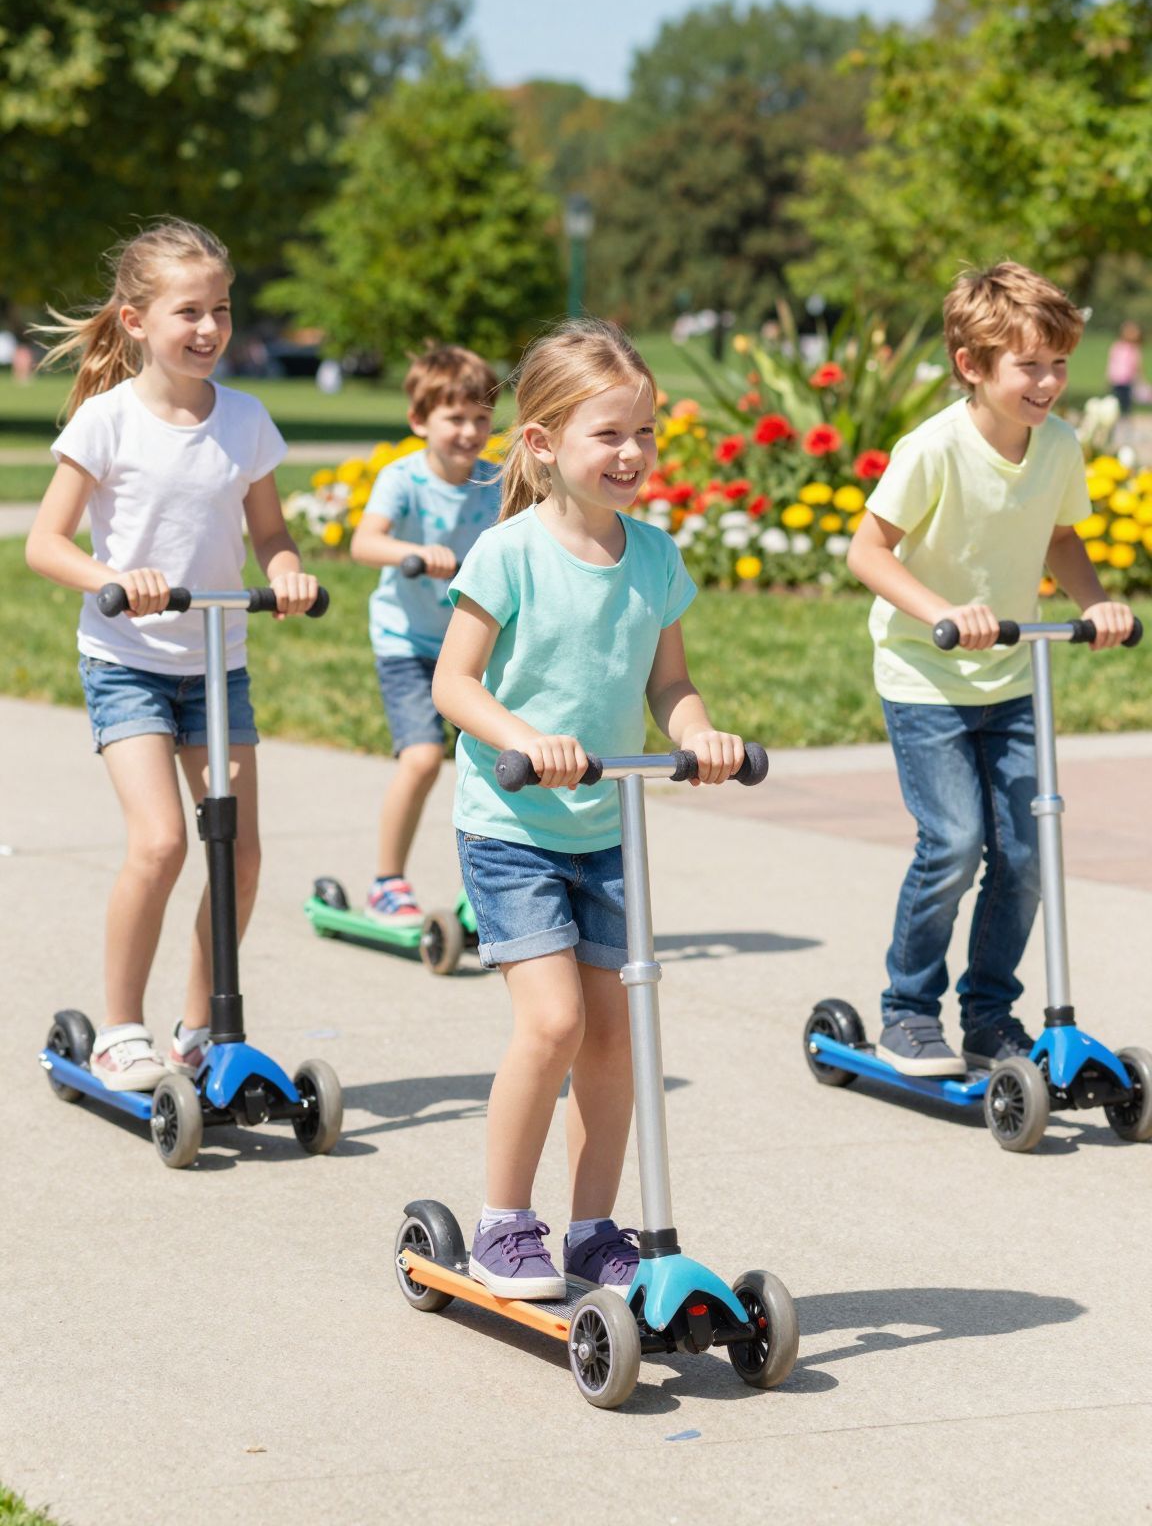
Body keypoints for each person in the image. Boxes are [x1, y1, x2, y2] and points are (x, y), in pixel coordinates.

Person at [432, 318, 746, 1300]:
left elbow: (671, 684)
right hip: (513, 826)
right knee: (555, 1020)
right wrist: (521, 735)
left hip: (611, 828)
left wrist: (698, 733)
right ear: (540, 444)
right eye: (609, 433)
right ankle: (500, 1222)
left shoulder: (654, 557)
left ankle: (594, 1226)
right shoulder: (510, 552)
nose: (633, 453)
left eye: (645, 433)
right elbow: (455, 682)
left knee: (616, 1032)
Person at [25, 218, 318, 1093]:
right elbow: (45, 543)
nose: (208, 328)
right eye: (188, 311)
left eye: (221, 309)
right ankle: (119, 1029)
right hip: (127, 662)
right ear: (135, 321)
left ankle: (198, 1028)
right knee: (159, 844)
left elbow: (270, 533)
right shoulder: (106, 422)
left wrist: (290, 572)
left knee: (242, 852)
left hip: (218, 669)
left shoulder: (246, 420)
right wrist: (117, 578)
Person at [847, 261, 1134, 1077]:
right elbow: (866, 550)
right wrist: (940, 609)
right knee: (954, 842)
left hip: (1011, 678)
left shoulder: (1060, 444)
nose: (1047, 383)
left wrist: (1094, 604)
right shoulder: (933, 448)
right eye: (1028, 365)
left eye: (1058, 364)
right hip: (925, 678)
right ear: (972, 365)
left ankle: (989, 1015)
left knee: (1028, 854)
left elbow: (1059, 539)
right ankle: (907, 1010)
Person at [349, 345, 502, 919]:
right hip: (407, 643)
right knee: (420, 759)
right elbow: (365, 543)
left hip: (476, 648)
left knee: (497, 763)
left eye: (481, 419)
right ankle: (387, 881)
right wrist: (415, 552)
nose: (470, 431)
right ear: (419, 421)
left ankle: (495, 884)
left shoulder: (497, 481)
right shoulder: (402, 479)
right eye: (455, 418)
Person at [1105, 320, 1144, 416]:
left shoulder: (1134, 349)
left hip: (1127, 381)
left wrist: (1139, 380)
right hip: (1116, 379)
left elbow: (1137, 365)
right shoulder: (1117, 346)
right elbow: (1111, 363)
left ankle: (1125, 421)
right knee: (1114, 404)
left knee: (1126, 405)